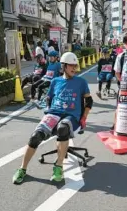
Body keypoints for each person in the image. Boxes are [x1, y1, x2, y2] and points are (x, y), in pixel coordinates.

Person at [12, 52, 93, 184]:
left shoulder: (81, 82)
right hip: (54, 113)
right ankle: (22, 169)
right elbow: (49, 99)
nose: (74, 68)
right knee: (35, 137)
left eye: (75, 66)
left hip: (71, 116)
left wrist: (84, 117)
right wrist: (49, 113)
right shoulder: (55, 81)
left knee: (63, 128)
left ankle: (58, 166)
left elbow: (89, 101)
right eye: (71, 66)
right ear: (64, 66)